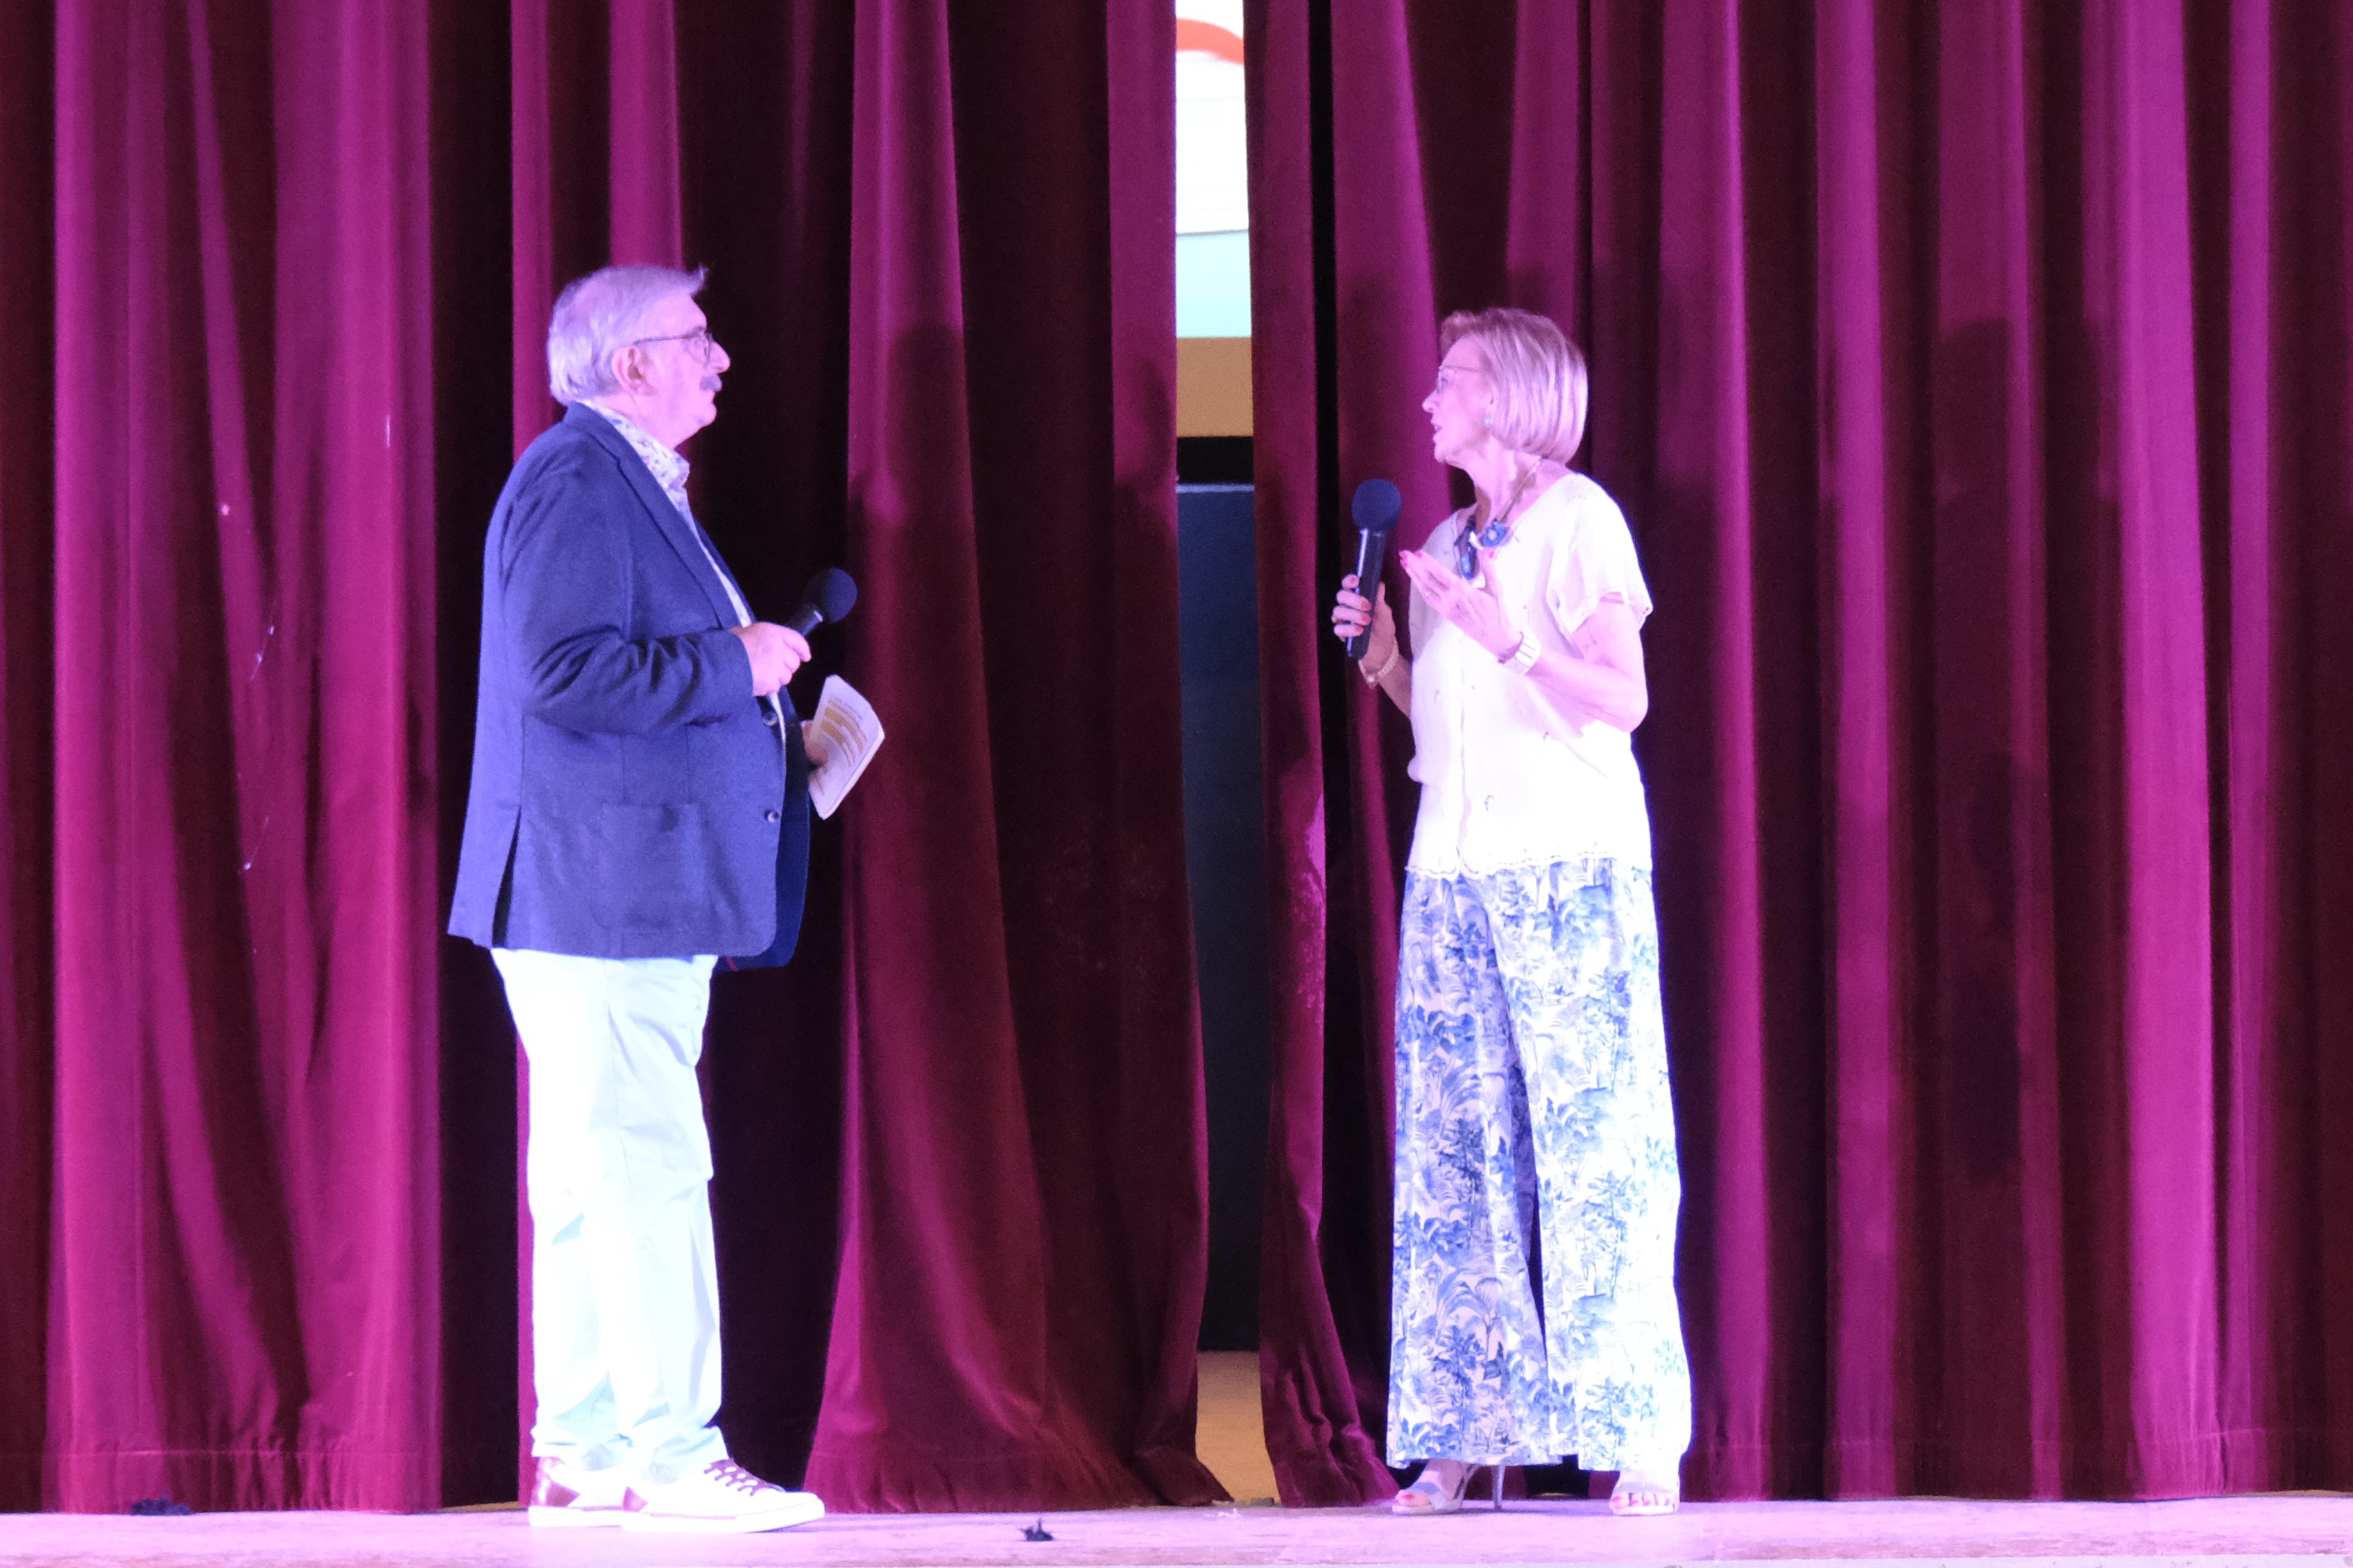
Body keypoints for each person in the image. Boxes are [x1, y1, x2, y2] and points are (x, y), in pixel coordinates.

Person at [449, 264, 826, 1534]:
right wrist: (738, 661)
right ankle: (674, 1456)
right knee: (646, 1165)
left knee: (590, 1174)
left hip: (605, 890)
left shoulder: (619, 480)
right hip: (599, 895)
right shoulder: (579, 479)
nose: (719, 358)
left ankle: (582, 1448)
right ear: (631, 365)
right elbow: (561, 674)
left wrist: (765, 724)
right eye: (696, 337)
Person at [1330, 307, 1692, 1517]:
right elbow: (1448, 722)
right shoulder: (1444, 538)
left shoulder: (1581, 522)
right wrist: (1391, 654)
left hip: (1571, 865)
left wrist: (1514, 643)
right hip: (1454, 872)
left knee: (1599, 1152)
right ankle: (1462, 1433)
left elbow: (1622, 700)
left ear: (1513, 398)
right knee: (1457, 1157)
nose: (1429, 399)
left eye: (1452, 379)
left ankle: (1636, 1432)